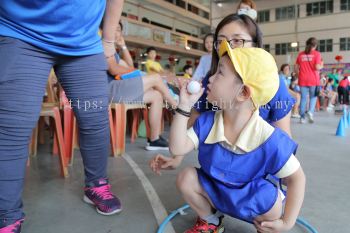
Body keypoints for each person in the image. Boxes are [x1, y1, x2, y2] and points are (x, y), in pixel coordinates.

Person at [150, 44, 305, 233]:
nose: (210, 78)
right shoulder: (207, 122)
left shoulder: (268, 138)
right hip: (217, 191)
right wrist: (184, 106)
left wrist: (287, 222)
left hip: (248, 200)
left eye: (220, 73)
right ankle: (211, 221)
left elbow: (297, 179)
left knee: (272, 202)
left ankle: (266, 228)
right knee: (186, 178)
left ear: (243, 93)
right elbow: (177, 148)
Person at [0, 1, 124, 232]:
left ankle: (96, 185)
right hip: (21, 32)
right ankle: (7, 213)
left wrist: (107, 41)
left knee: (95, 119)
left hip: (84, 41)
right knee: (12, 130)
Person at [190, 13, 295, 136]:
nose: (227, 46)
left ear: (255, 45)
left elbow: (284, 137)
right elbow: (192, 125)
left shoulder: (274, 84)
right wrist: (177, 155)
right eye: (220, 41)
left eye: (237, 40)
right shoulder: (210, 79)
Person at [106, 21, 179, 150]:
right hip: (109, 90)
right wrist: (141, 75)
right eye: (114, 28)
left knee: (156, 95)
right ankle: (177, 109)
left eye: (119, 30)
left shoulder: (113, 53)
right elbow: (114, 70)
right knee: (155, 78)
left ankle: (154, 140)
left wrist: (123, 47)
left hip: (118, 89)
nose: (117, 32)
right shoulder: (103, 46)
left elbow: (129, 67)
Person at [295, 37, 323, 124]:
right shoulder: (317, 54)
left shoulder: (300, 54)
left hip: (303, 79)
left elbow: (296, 67)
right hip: (313, 80)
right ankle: (310, 112)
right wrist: (322, 65)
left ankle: (302, 117)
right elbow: (317, 67)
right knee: (313, 97)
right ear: (315, 45)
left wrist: (298, 75)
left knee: (303, 98)